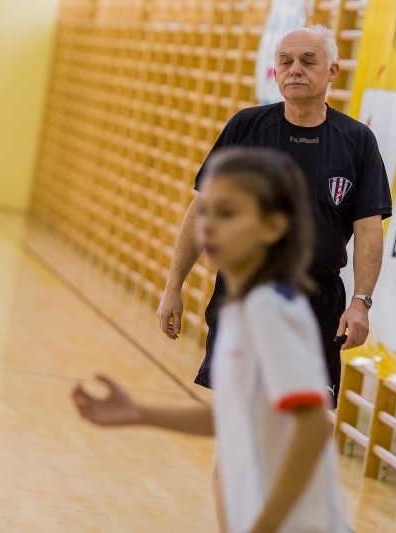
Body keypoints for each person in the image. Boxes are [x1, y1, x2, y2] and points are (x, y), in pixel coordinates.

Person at [73, 148, 350, 533]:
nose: (209, 226)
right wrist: (140, 414)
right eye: (207, 211)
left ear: (272, 227)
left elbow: (314, 427)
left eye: (229, 213)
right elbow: (234, 416)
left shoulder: (273, 311)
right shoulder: (242, 307)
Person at [157, 25, 392, 405]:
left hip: (317, 305)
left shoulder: (357, 142)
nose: (294, 69)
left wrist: (361, 302)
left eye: (307, 61)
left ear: (332, 71)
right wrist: (173, 285)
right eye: (285, 62)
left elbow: (368, 230)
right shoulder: (247, 128)